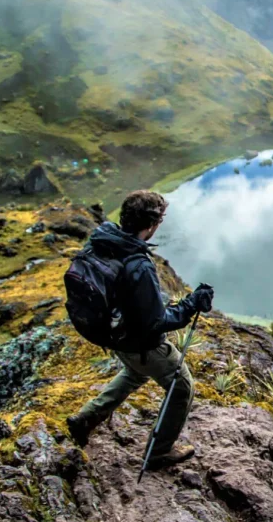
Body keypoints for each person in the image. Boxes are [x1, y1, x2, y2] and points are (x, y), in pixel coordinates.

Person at [66, 190, 214, 469]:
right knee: (181, 388)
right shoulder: (139, 264)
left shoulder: (104, 242)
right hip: (141, 343)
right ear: (153, 224)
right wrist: (191, 304)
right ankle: (158, 453)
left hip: (113, 336)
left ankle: (86, 418)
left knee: (134, 373)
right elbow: (156, 322)